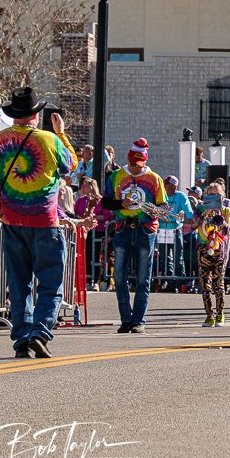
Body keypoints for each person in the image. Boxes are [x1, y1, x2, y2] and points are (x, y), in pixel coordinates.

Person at [0, 87, 76, 358]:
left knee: (19, 283)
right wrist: (61, 132)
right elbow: (71, 164)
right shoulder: (50, 140)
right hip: (45, 222)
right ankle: (40, 332)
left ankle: (22, 340)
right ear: (35, 116)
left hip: (13, 221)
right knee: (51, 283)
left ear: (14, 115)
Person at [100, 138, 168, 333]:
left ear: (144, 161)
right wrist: (121, 204)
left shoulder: (155, 178)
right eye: (132, 164)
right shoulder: (116, 176)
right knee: (119, 276)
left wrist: (156, 210)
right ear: (128, 160)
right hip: (122, 228)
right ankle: (125, 319)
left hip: (145, 230)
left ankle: (139, 320)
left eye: (138, 165)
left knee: (143, 277)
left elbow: (163, 206)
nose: (135, 168)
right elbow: (105, 203)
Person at [196, 179, 230, 326]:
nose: (214, 197)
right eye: (210, 195)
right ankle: (209, 314)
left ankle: (220, 313)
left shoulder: (226, 210)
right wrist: (205, 214)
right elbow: (194, 226)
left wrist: (222, 221)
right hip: (204, 248)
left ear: (222, 196)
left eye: (216, 195)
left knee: (219, 283)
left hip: (220, 250)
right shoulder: (201, 208)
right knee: (205, 283)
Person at [158, 175, 193, 283]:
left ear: (174, 186)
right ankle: (168, 281)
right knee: (165, 257)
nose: (165, 187)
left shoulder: (180, 196)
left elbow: (187, 208)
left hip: (176, 230)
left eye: (168, 185)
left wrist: (190, 217)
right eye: (165, 185)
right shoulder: (161, 195)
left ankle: (181, 281)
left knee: (178, 257)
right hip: (162, 230)